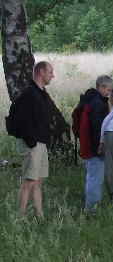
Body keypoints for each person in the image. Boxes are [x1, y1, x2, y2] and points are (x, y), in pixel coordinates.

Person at [15, 61, 54, 218]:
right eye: (50, 72)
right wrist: (31, 141)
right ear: (41, 73)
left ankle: (40, 216)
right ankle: (20, 218)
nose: (53, 75)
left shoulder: (42, 93)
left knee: (38, 181)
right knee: (29, 181)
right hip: (32, 144)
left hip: (41, 143)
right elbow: (21, 120)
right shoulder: (29, 94)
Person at [78, 75, 113, 212]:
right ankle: (91, 210)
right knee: (95, 179)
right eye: (108, 90)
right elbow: (98, 127)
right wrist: (101, 145)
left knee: (92, 176)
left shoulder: (90, 99)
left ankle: (90, 204)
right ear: (101, 87)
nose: (109, 93)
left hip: (88, 145)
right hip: (95, 147)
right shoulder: (98, 104)